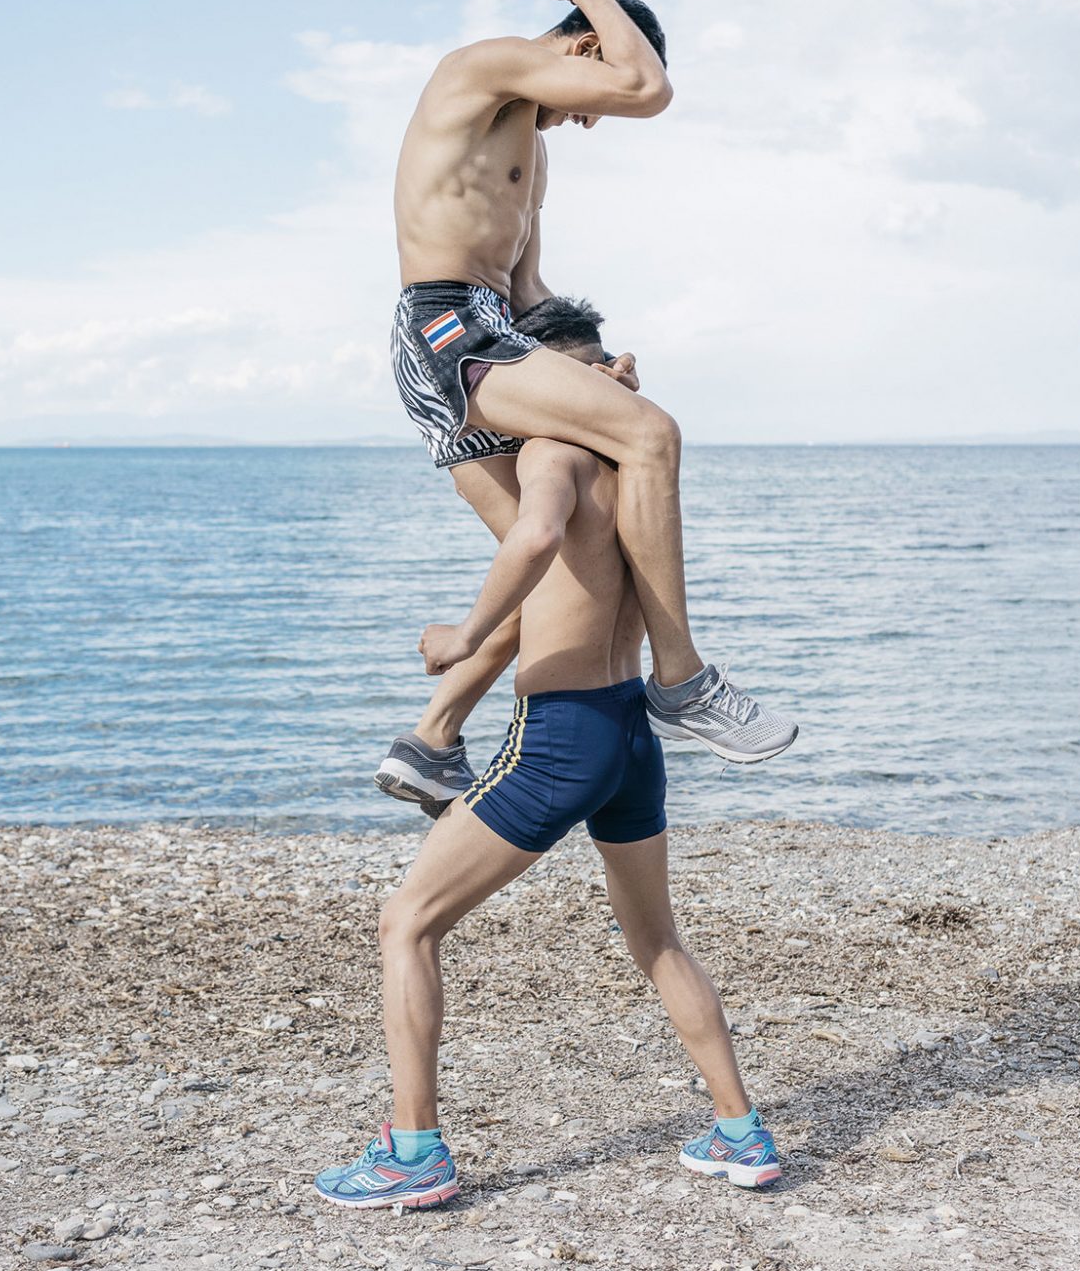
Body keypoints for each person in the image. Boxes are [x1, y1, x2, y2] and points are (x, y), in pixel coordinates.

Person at [316, 300, 781, 1210]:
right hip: (630, 733)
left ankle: (415, 1151)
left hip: (559, 737)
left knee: (406, 921)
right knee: (655, 937)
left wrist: (465, 632)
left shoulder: (551, 451)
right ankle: (740, 1134)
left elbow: (531, 537)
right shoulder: (626, 468)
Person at [381, 0, 797, 812]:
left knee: (566, 554)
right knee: (652, 435)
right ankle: (681, 680)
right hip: (445, 325)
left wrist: (591, 369)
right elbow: (644, 88)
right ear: (580, 44)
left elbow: (528, 295)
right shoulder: (485, 67)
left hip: (487, 328)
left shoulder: (531, 153)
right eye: (589, 92)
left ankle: (430, 744)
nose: (589, 118)